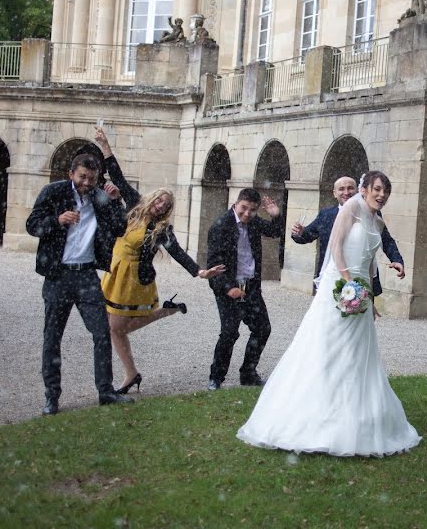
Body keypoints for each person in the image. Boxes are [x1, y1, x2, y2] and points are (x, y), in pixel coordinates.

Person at [238, 172, 421, 456]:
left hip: (360, 291)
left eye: (386, 191)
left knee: (357, 354)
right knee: (326, 347)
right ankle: (313, 416)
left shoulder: (378, 220)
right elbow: (336, 246)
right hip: (338, 285)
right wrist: (348, 281)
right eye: (377, 189)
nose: (381, 195)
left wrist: (373, 291)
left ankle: (357, 416)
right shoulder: (351, 209)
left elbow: (371, 261)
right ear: (364, 189)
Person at [93, 127, 225, 394]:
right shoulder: (134, 204)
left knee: (115, 328)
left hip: (134, 279)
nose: (162, 205)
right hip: (115, 272)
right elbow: (116, 175)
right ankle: (134, 368)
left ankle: (135, 365)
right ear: (153, 198)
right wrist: (106, 147)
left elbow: (176, 251)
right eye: (160, 200)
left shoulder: (161, 230)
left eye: (166, 205)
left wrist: (199, 271)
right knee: (116, 328)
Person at [26, 153, 132, 415]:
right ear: (72, 173)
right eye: (82, 177)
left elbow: (120, 228)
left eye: (91, 178)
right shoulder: (53, 192)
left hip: (86, 274)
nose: (86, 182)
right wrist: (57, 221)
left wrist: (117, 201)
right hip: (58, 275)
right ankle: (52, 396)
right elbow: (32, 225)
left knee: (101, 333)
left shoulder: (100, 197)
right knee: (52, 337)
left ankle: (105, 391)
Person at [207, 188, 284, 389]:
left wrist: (276, 215)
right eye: (244, 208)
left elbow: (275, 232)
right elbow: (213, 264)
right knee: (229, 332)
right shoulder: (220, 226)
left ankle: (248, 373)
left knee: (262, 328)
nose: (247, 214)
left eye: (252, 210)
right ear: (236, 203)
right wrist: (227, 287)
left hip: (250, 286)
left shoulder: (255, 222)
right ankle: (216, 377)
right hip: (229, 287)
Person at [291, 176, 404, 302]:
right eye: (341, 189)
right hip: (333, 276)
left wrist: (397, 259)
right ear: (334, 193)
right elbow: (307, 236)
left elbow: (386, 240)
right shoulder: (326, 215)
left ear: (358, 190)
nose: (346, 192)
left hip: (362, 277)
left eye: (350, 188)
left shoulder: (373, 214)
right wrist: (299, 233)